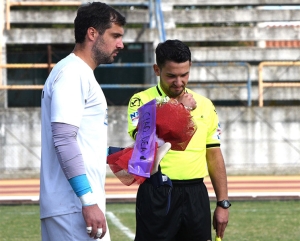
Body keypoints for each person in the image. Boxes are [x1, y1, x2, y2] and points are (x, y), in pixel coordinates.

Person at [127, 39, 230, 241]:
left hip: (196, 195)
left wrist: (223, 202)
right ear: (157, 70)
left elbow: (214, 153)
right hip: (157, 192)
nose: (179, 82)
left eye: (184, 75)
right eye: (171, 76)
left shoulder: (205, 105)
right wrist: (179, 109)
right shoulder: (140, 101)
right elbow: (144, 143)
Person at [40, 2, 126, 241]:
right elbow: (64, 138)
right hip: (73, 207)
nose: (121, 43)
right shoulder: (73, 73)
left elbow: (80, 141)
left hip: (71, 206)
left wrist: (123, 156)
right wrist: (88, 201)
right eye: (115, 35)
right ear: (92, 33)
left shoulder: (75, 72)